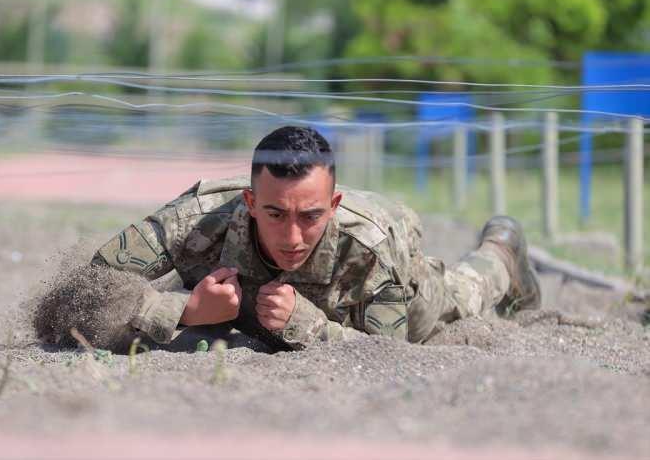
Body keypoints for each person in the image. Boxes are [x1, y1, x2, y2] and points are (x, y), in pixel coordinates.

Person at [87, 125, 541, 351]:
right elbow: (84, 288)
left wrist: (307, 323)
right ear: (248, 200)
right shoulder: (197, 219)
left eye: (310, 216)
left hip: (398, 281)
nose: (292, 236)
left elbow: (388, 352)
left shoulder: (370, 249)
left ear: (335, 203)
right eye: (274, 212)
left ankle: (500, 250)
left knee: (459, 298)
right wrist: (182, 309)